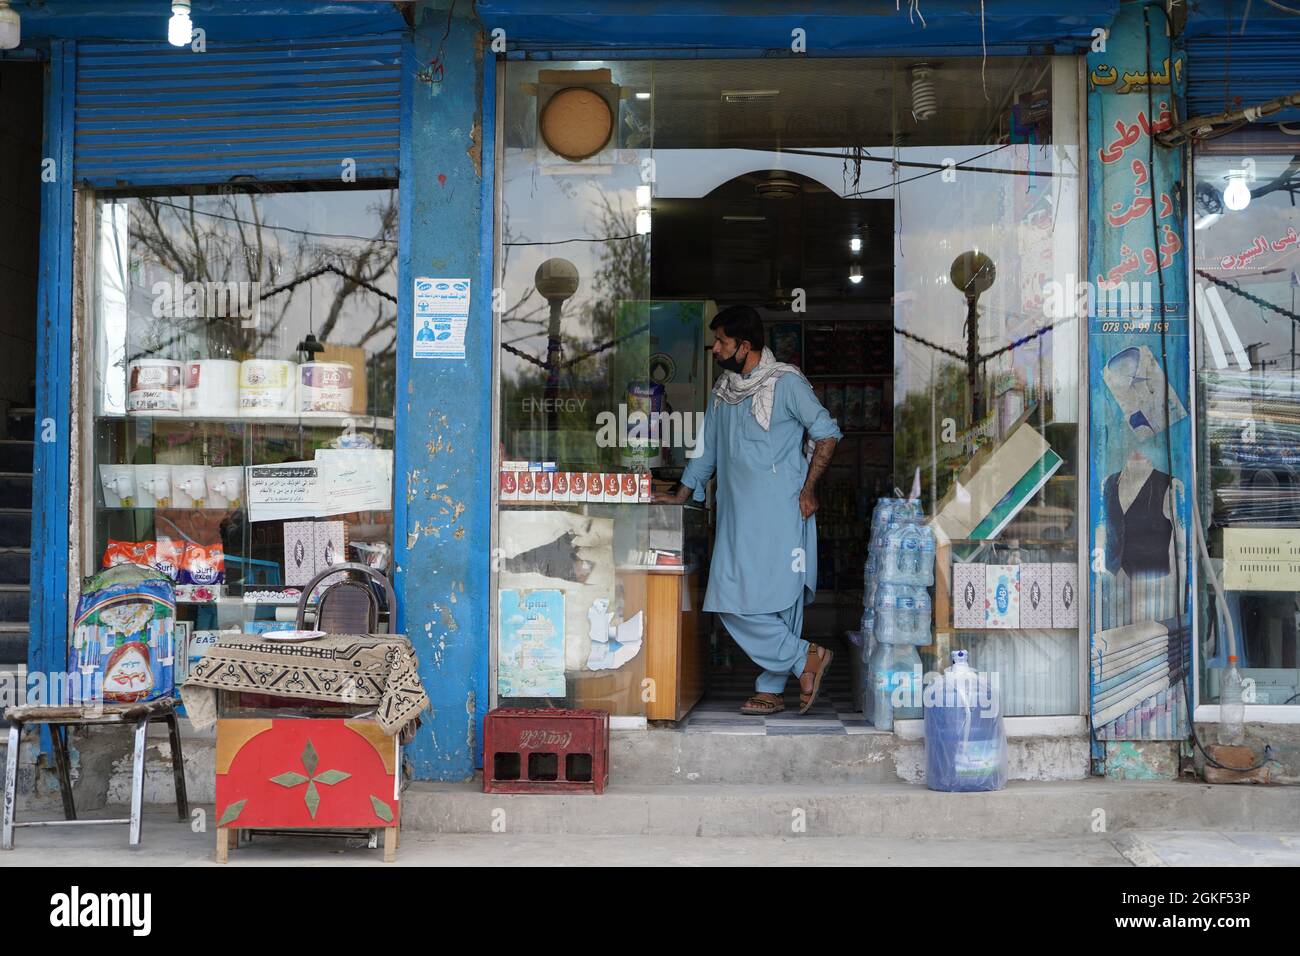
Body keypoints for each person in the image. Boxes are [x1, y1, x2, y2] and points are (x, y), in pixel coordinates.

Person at [654, 305, 841, 715]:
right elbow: (706, 453)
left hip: (785, 513)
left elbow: (827, 433)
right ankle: (802, 657)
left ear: (746, 345)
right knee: (727, 598)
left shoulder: (787, 383)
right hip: (737, 517)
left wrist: (810, 490)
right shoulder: (723, 391)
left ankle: (772, 688)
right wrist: (682, 495)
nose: (715, 348)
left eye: (721, 341)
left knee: (781, 599)